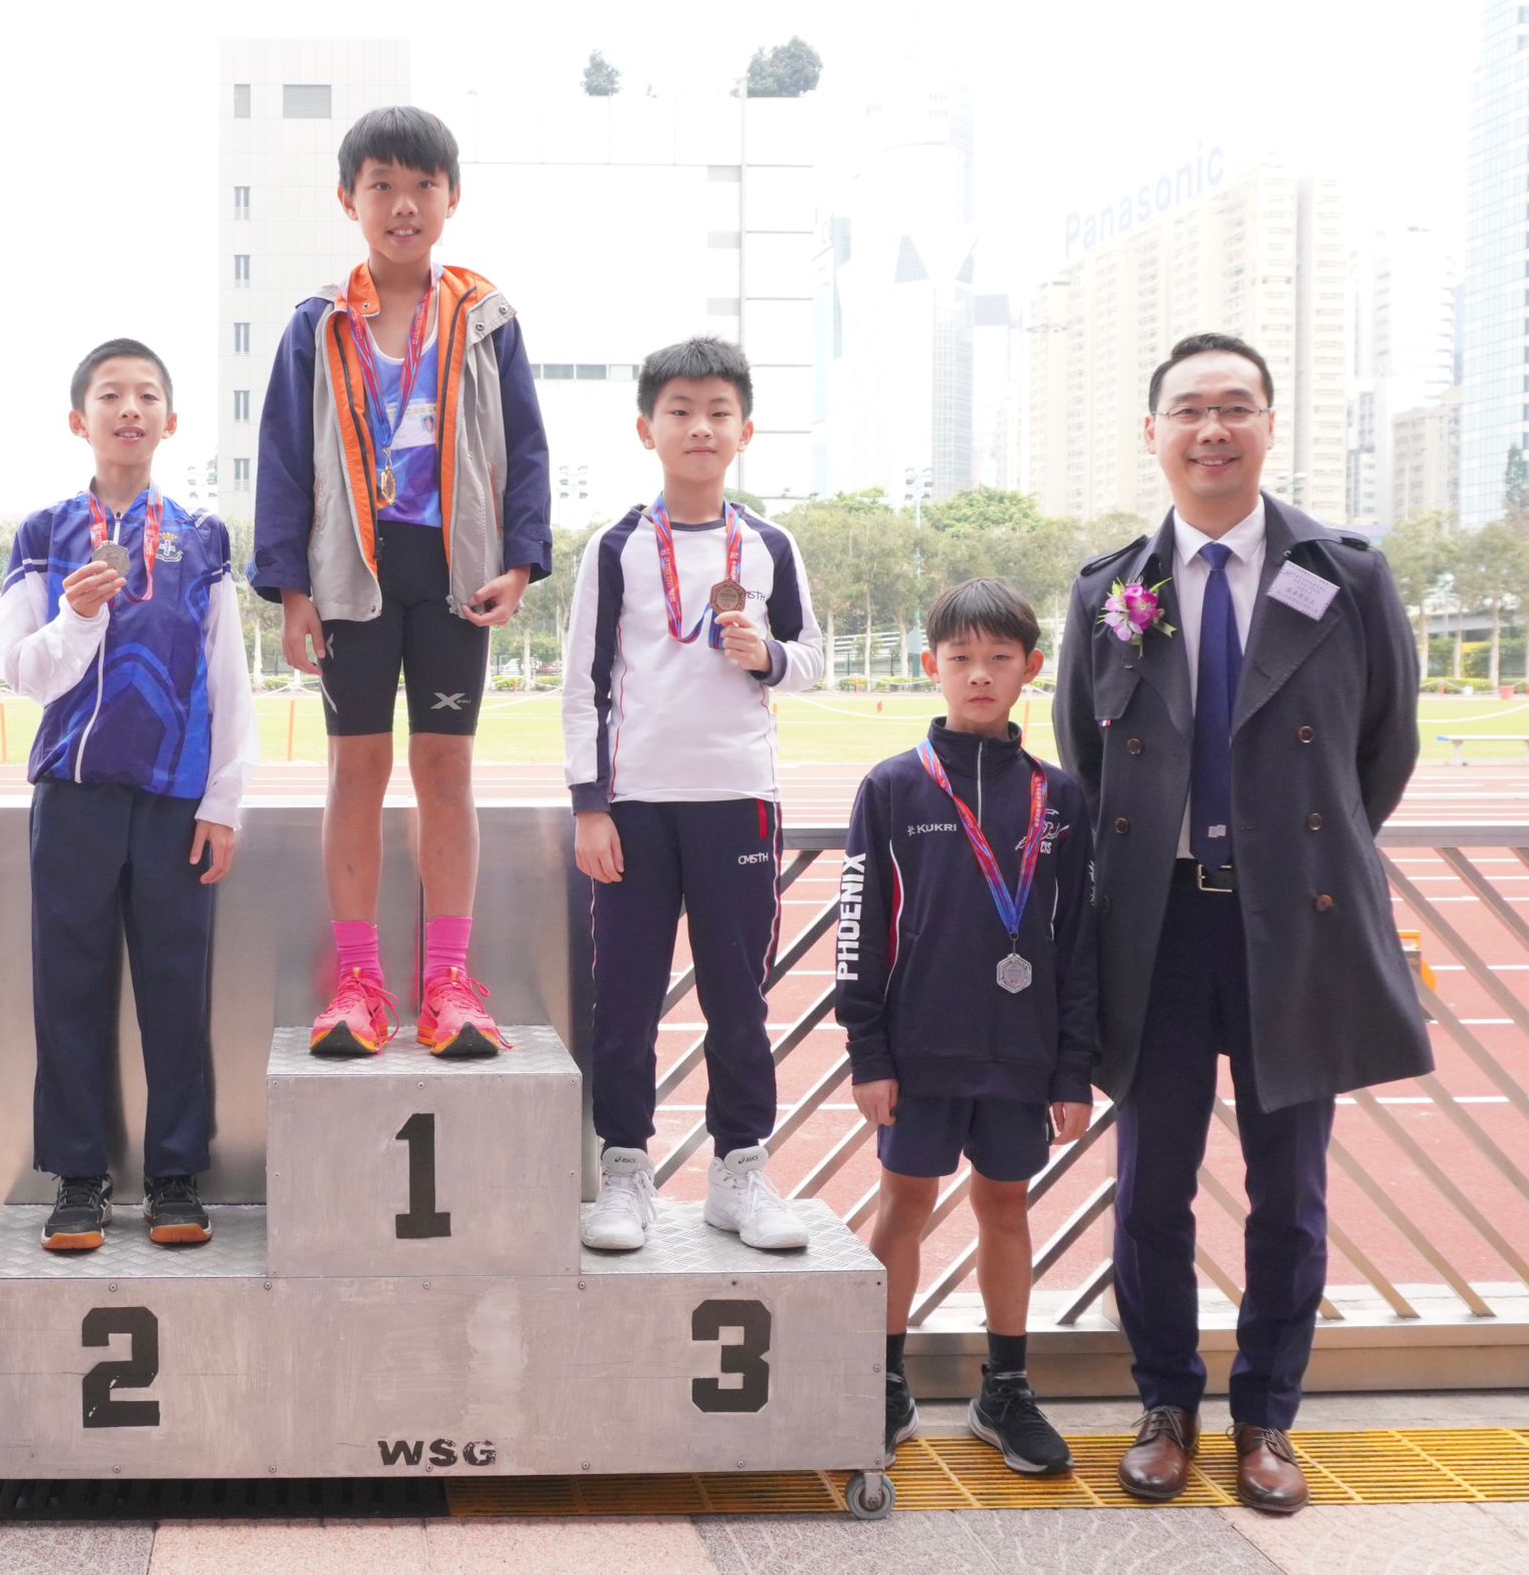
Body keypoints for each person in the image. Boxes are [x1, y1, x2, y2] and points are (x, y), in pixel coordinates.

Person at [1055, 332, 1430, 1514]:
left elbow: (1384, 747)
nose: (1209, 431)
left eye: (1233, 408)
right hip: (1154, 933)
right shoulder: (1108, 591)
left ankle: (1266, 1416)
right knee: (1146, 1185)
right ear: (1151, 433)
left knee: (1291, 1191)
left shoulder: (1345, 575)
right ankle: (1164, 1404)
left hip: (1292, 928)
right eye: (1186, 411)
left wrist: (1290, 857)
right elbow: (1082, 756)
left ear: (1269, 425)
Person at [249, 104, 551, 1059]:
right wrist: (292, 588)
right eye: (382, 185)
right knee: (357, 771)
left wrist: (519, 560)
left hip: (455, 571)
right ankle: (358, 981)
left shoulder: (487, 316)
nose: (403, 204)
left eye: (423, 185)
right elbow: (285, 462)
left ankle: (450, 983)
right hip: (351, 572)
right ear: (350, 200)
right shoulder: (318, 325)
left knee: (446, 770)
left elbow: (528, 449)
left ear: (451, 199)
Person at [0, 338, 256, 1254]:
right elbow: (23, 675)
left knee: (176, 989)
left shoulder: (205, 539)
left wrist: (224, 799)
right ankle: (77, 1179)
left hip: (178, 798)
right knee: (68, 987)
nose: (130, 408)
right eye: (111, 394)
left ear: (172, 421)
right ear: (81, 420)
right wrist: (79, 613)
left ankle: (176, 1174)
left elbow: (229, 677)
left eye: (148, 394)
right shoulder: (43, 535)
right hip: (72, 797)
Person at [567, 336, 824, 1253]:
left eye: (719, 411)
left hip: (738, 800)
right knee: (626, 999)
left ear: (745, 430)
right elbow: (584, 684)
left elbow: (812, 662)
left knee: (737, 1001)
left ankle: (739, 1171)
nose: (700, 426)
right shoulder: (616, 549)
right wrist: (589, 804)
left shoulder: (770, 545)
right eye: (679, 410)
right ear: (648, 429)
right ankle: (624, 1171)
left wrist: (771, 656)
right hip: (635, 805)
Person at [838, 578, 1097, 1475]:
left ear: (1031, 668)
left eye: (999, 659)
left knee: (1006, 1206)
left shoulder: (1058, 796)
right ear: (931, 667)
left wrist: (1072, 1069)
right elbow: (858, 926)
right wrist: (867, 1049)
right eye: (960, 659)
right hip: (918, 1051)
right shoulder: (895, 786)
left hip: (1022, 1055)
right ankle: (882, 1380)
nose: (979, 675)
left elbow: (1079, 943)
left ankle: (1007, 1387)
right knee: (902, 1207)